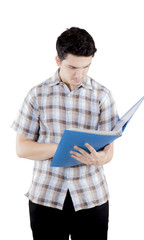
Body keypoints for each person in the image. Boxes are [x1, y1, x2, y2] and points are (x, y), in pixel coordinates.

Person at [11, 27, 119, 240]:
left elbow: (109, 153)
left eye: (86, 66)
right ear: (58, 60)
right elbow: (22, 148)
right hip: (46, 196)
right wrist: (61, 147)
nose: (79, 74)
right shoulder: (37, 95)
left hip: (91, 197)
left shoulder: (103, 96)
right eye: (72, 67)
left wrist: (100, 158)